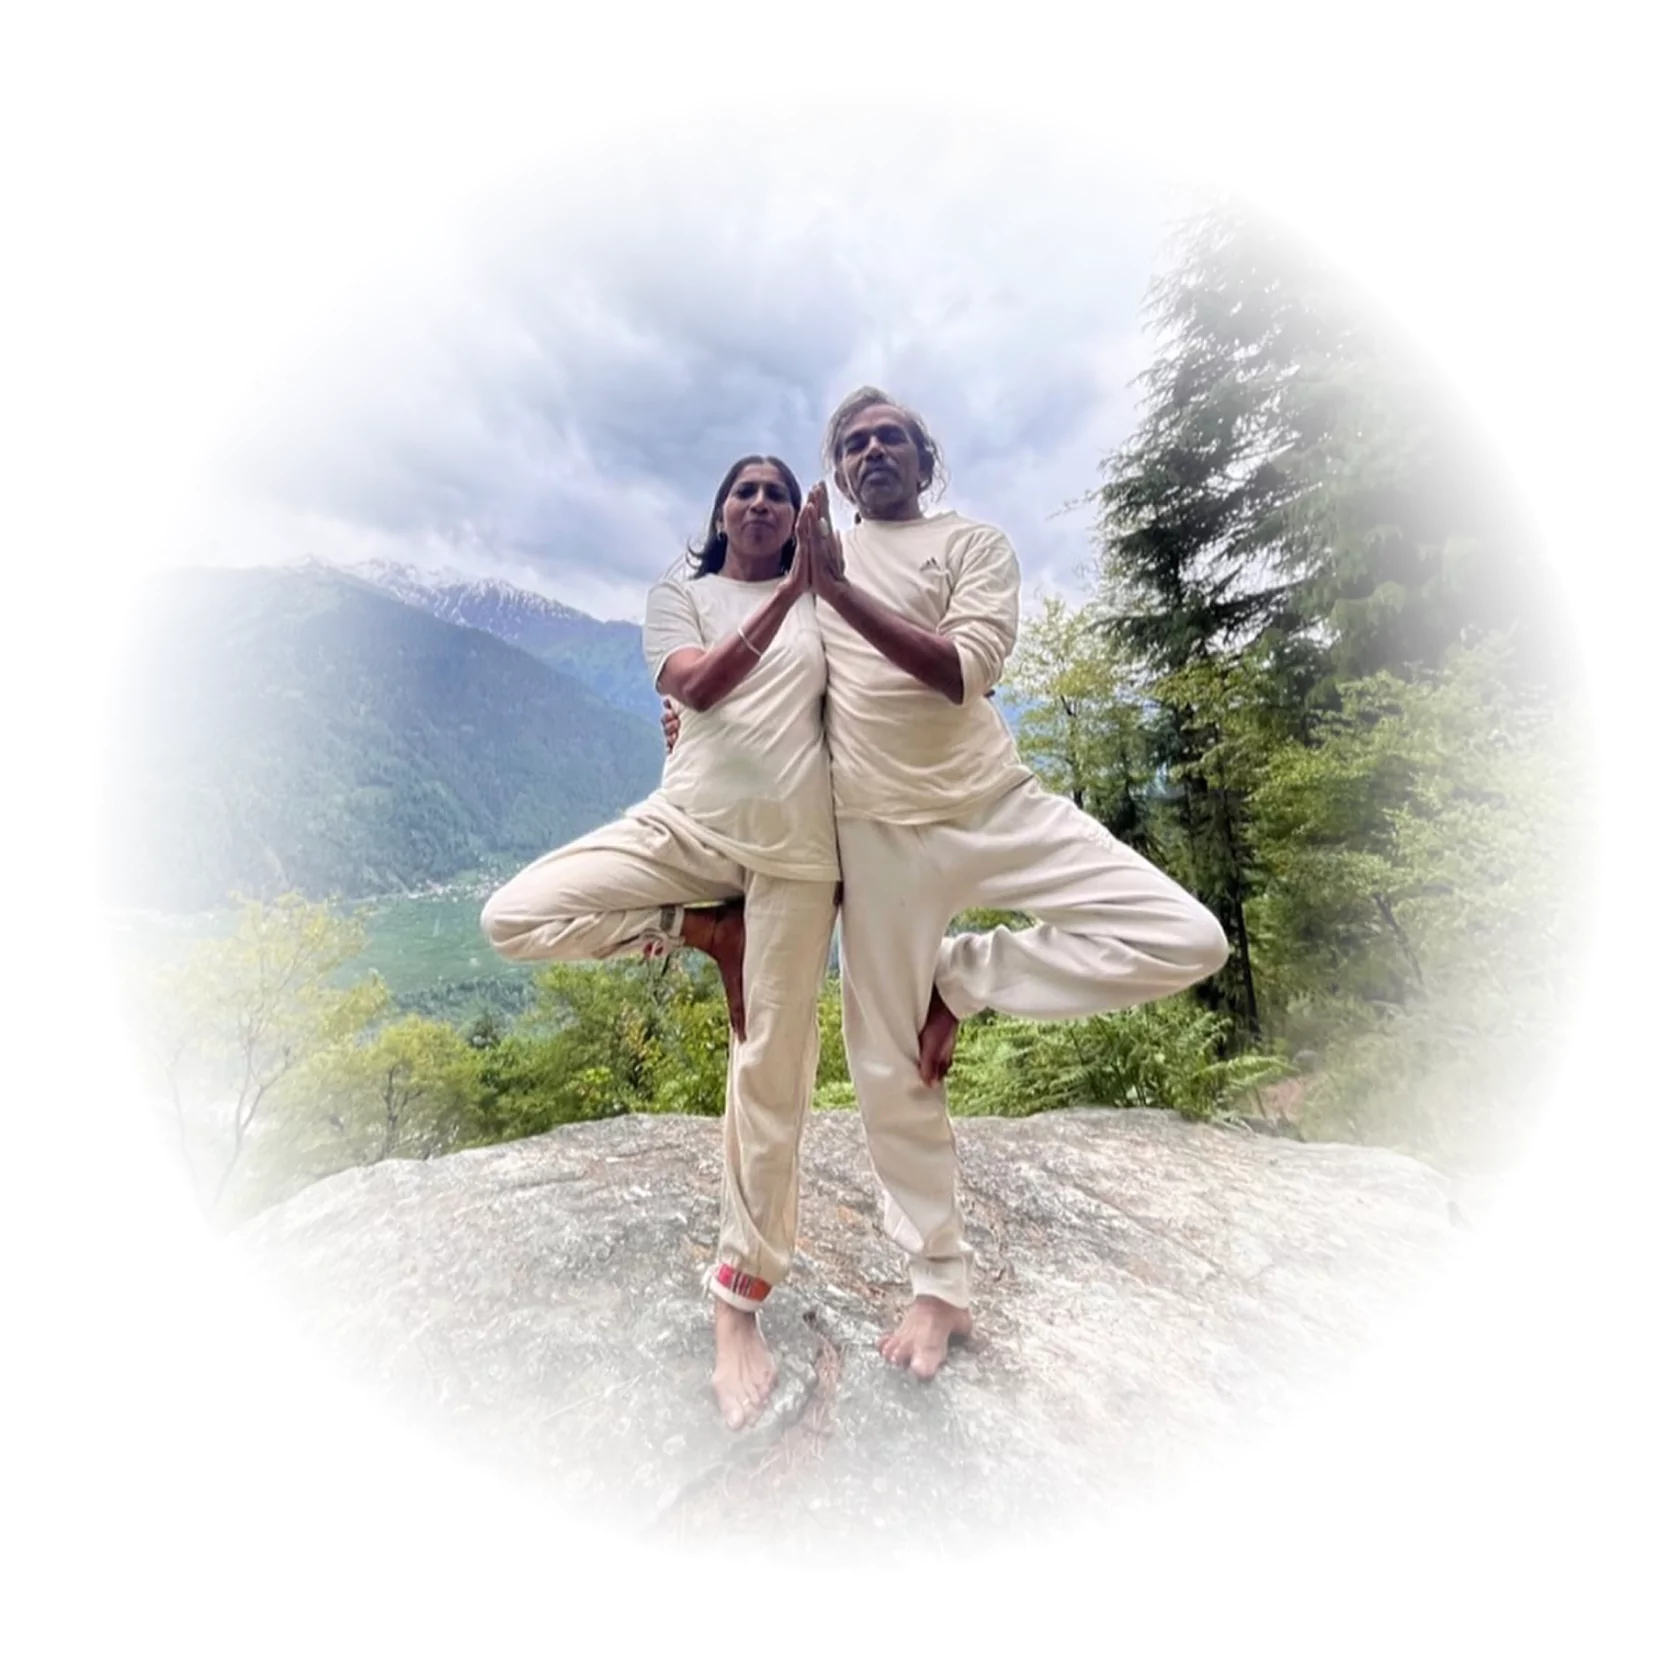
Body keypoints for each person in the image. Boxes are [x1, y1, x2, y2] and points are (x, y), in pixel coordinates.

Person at [666, 391, 1230, 1382]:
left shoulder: (971, 545)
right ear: (835, 473)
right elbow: (739, 690)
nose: (871, 449)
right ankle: (939, 1285)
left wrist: (836, 593)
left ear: (925, 458)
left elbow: (960, 674)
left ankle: (962, 973)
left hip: (994, 803)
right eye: (851, 443)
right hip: (874, 834)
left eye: (889, 436)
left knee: (1189, 939)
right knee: (889, 1069)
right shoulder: (806, 571)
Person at [480, 456, 838, 1430]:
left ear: (796, 516)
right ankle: (701, 929)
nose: (761, 501)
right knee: (515, 913)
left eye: (777, 490)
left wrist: (827, 588)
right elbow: (701, 685)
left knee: (772, 1069)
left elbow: (864, 716)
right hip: (686, 828)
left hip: (801, 854)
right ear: (721, 511)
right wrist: (793, 596)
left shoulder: (827, 603)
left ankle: (738, 1301)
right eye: (744, 489)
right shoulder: (681, 595)